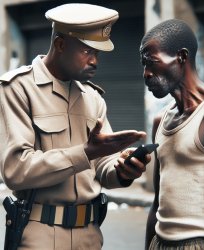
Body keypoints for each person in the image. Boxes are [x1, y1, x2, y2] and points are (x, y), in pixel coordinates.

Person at [0, 3, 150, 250]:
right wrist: (86, 152)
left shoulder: (93, 98)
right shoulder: (18, 89)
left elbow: (103, 167)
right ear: (60, 45)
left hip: (89, 236)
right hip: (39, 236)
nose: (95, 61)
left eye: (98, 54)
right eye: (87, 51)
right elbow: (16, 170)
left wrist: (123, 170)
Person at [140, 19, 204, 250]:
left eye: (152, 63)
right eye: (143, 65)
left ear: (182, 57)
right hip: (160, 242)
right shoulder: (160, 121)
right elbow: (157, 202)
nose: (146, 74)